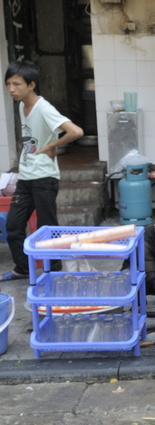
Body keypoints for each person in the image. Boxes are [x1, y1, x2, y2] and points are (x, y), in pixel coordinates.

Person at [1, 60, 83, 281]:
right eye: (8, 83)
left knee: (48, 228)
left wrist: (51, 146)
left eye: (16, 84)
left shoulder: (44, 108)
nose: (11, 89)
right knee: (13, 227)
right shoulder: (20, 106)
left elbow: (76, 131)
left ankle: (54, 272)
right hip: (26, 177)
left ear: (31, 85)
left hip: (45, 179)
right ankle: (22, 268)